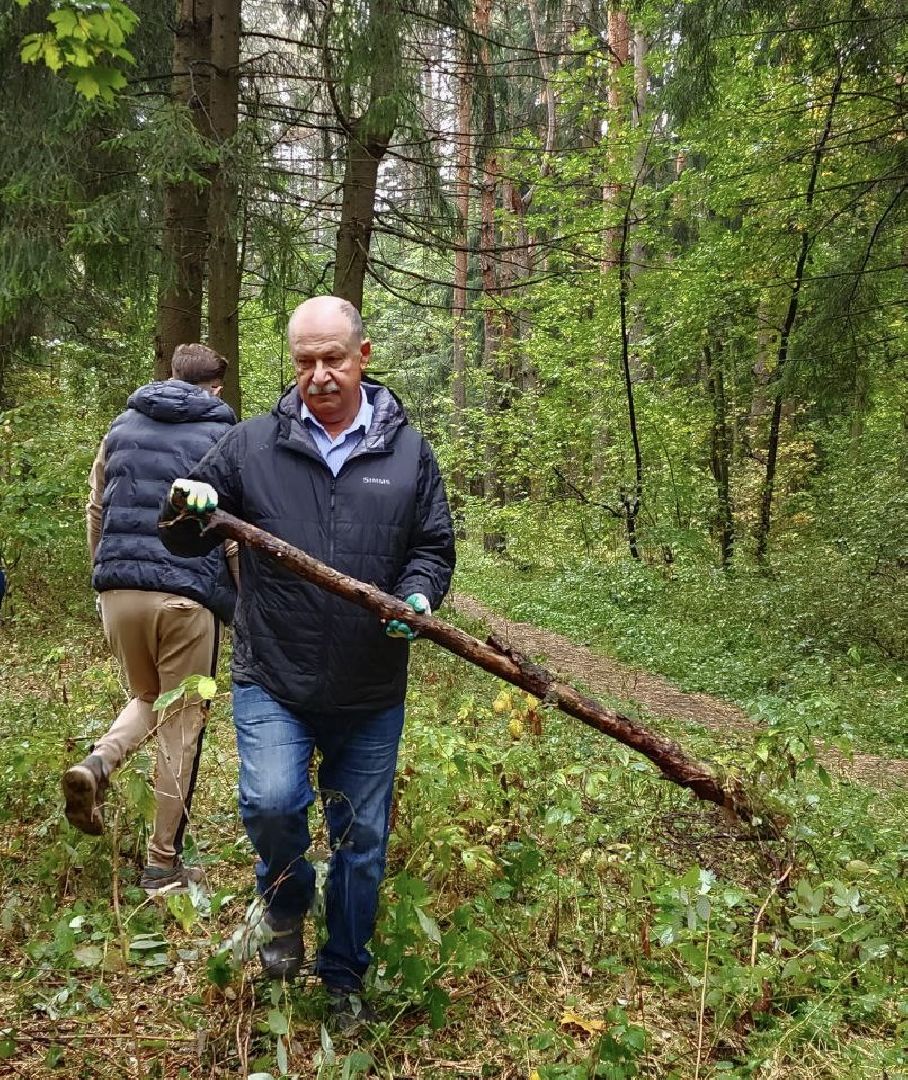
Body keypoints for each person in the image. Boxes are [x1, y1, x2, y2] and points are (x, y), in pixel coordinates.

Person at [159, 296, 455, 1028]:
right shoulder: (250, 445)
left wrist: (416, 596)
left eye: (332, 358)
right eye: (304, 361)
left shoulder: (410, 453)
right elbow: (182, 537)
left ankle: (344, 980)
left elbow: (432, 546)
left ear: (364, 355)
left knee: (361, 842)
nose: (318, 375)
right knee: (269, 802)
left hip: (370, 684)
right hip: (275, 676)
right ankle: (286, 900)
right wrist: (188, 504)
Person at [62, 344, 237, 896]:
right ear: (214, 388)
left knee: (146, 696)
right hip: (184, 598)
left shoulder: (121, 426)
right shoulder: (222, 432)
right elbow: (232, 527)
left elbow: (96, 509)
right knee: (182, 724)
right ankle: (163, 865)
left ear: (169, 376)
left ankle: (97, 765)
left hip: (119, 593)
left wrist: (105, 577)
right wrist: (244, 599)